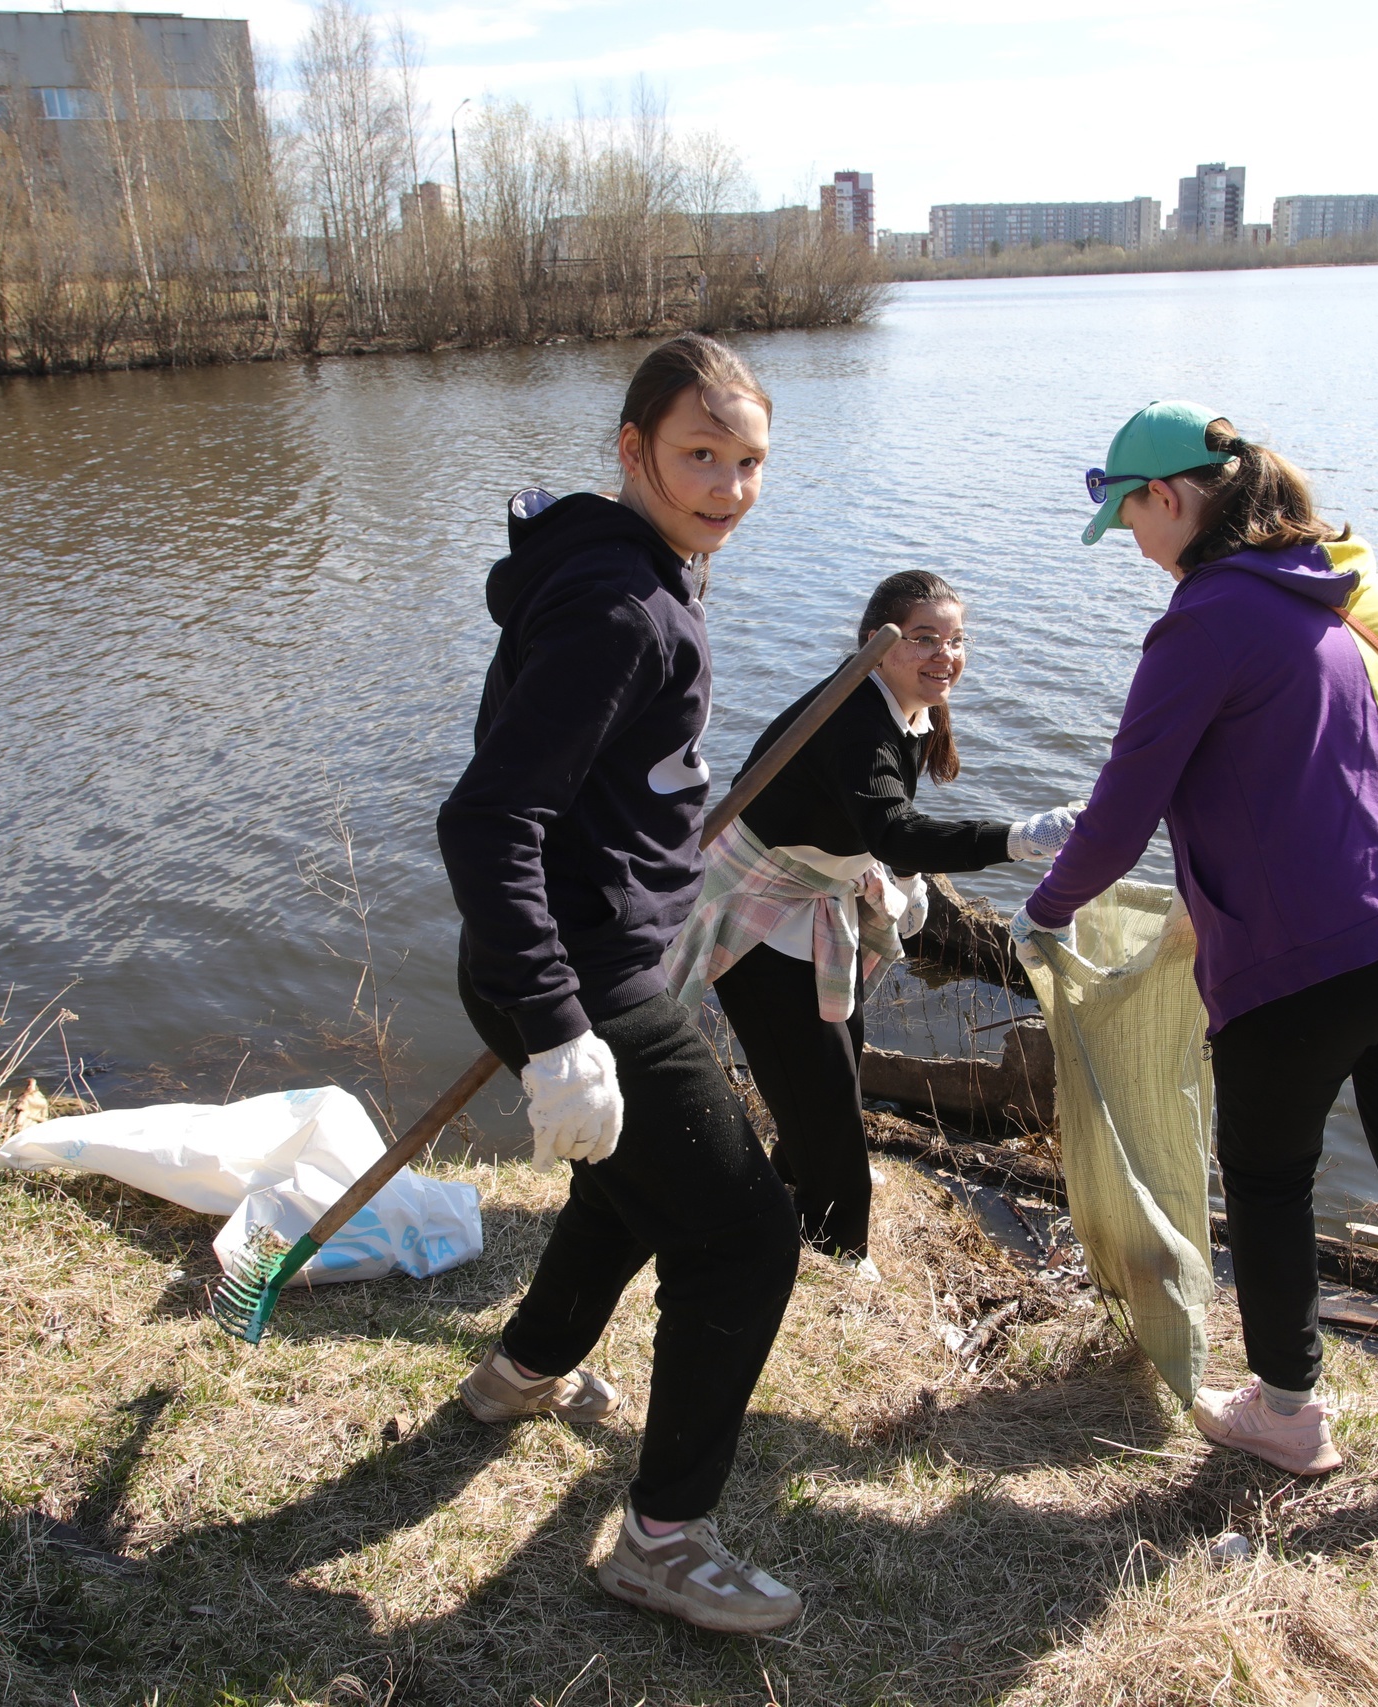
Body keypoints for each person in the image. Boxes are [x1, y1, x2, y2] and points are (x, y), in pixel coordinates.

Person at [1013, 400, 1378, 1489]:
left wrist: (1046, 910)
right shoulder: (1337, 581)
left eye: (1131, 522)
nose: (1134, 548)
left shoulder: (1206, 615)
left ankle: (1288, 1414)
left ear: (1169, 499)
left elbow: (1122, 816)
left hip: (1317, 953)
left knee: (1268, 1179)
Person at [435, 333, 805, 1633]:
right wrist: (554, 1032)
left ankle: (523, 1369)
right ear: (633, 449)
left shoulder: (626, 563)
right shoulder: (622, 607)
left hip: (589, 954)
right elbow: (487, 821)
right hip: (576, 976)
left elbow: (593, 785)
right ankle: (662, 1536)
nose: (727, 483)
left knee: (632, 1183)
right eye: (699, 453)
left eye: (749, 458)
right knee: (749, 1230)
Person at [662, 571, 1076, 1274]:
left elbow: (879, 828)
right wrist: (1013, 837)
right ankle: (840, 1252)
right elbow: (894, 831)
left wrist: (904, 878)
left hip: (812, 901)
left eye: (955, 639)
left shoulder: (904, 708)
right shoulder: (854, 718)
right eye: (924, 638)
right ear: (875, 645)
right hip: (759, 912)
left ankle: (794, 1198)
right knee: (827, 1108)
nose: (945, 655)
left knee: (836, 1071)